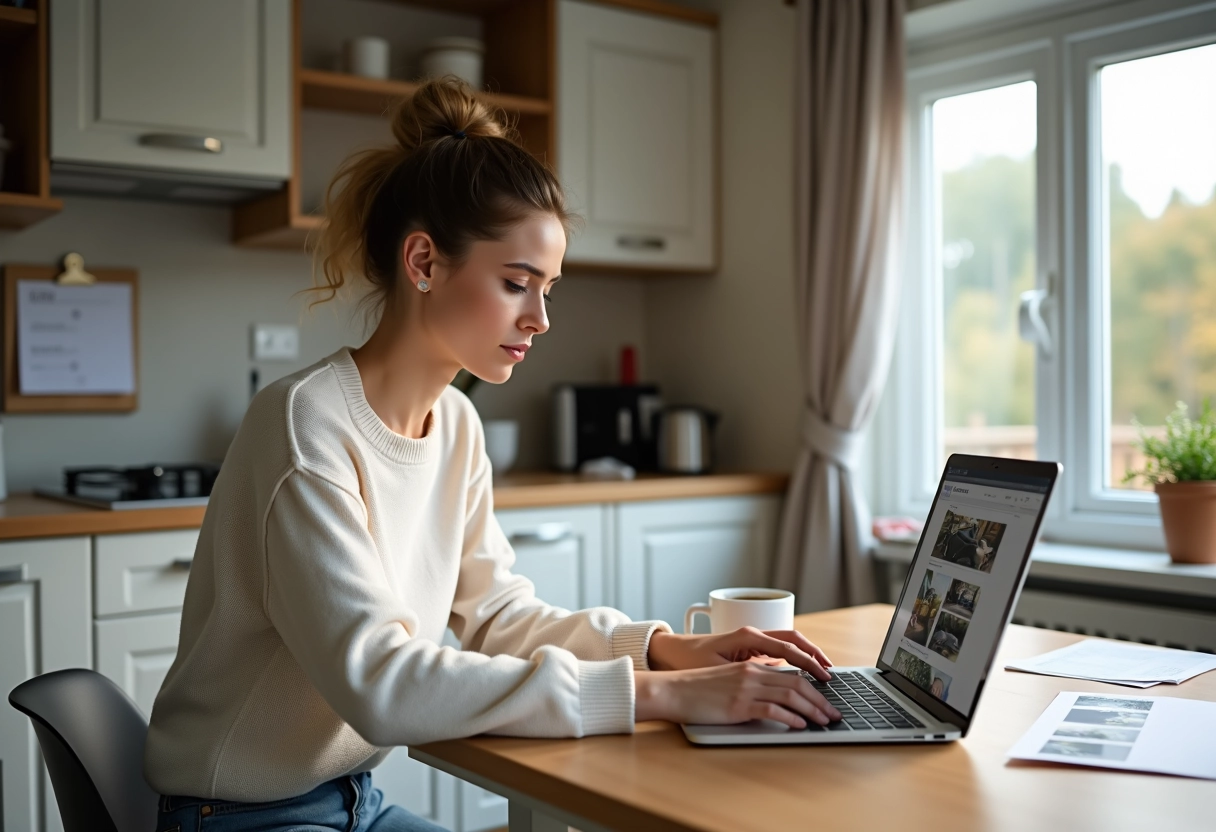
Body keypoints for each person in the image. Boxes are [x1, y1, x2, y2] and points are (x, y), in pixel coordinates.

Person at [144, 78, 841, 832]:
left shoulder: (455, 423)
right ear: (423, 262)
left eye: (548, 289)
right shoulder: (304, 424)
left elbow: (499, 614)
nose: (539, 319)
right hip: (237, 814)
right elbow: (382, 682)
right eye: (517, 284)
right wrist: (660, 696)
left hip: (355, 802)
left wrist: (669, 650)